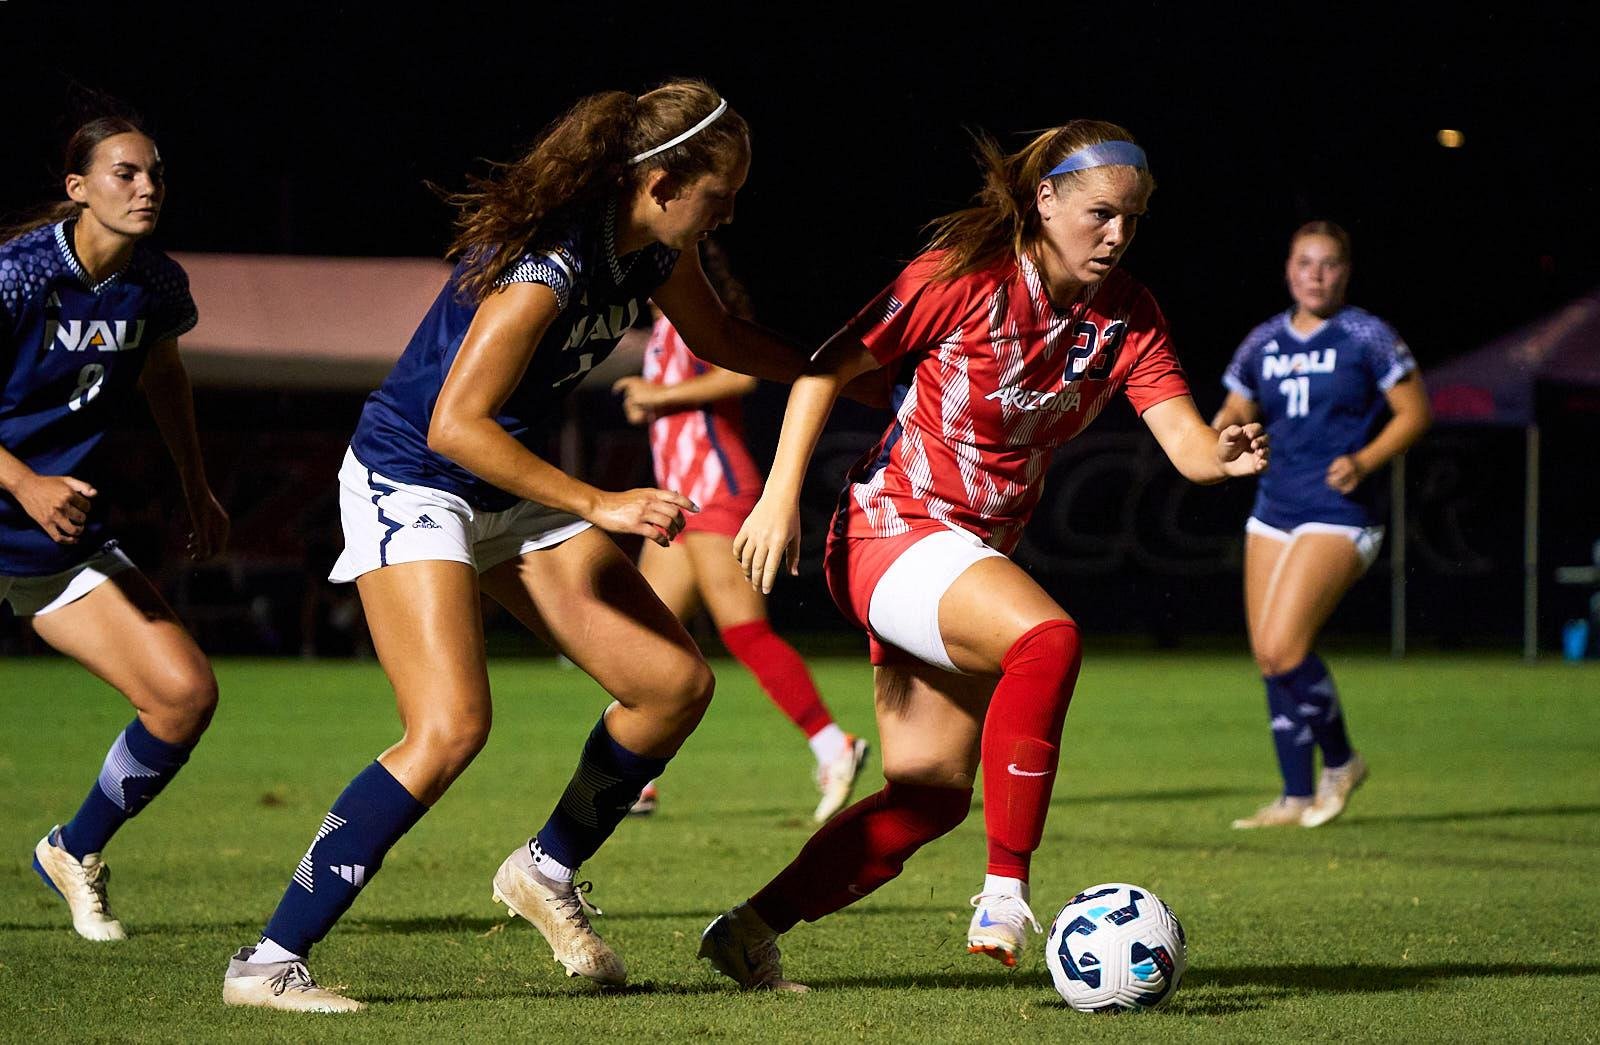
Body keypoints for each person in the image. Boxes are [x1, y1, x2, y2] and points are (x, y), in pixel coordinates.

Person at [223, 80, 837, 1012]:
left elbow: (721, 334)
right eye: (723, 192)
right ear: (664, 181)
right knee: (450, 727)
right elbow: (454, 424)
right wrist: (602, 501)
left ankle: (546, 869)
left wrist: (843, 367)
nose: (732, 211)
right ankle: (266, 962)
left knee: (672, 684)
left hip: (503, 486)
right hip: (413, 476)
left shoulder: (649, 253)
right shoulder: (549, 262)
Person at [696, 121, 1269, 991]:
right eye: (1102, 214)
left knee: (929, 795)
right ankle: (1006, 890)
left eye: (1134, 219)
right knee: (1048, 639)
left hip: (960, 555)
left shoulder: (1129, 316)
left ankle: (746, 930)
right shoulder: (962, 280)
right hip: (889, 526)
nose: (1118, 235)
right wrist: (778, 498)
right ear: (1045, 200)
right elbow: (821, 370)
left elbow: (1187, 444)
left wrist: (1223, 453)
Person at [1, 116, 229, 941]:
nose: (146, 189)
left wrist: (195, 485)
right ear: (77, 189)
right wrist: (23, 481)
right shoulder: (16, 278)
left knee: (183, 694)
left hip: (53, 533)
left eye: (156, 176)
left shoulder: (158, 286)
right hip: (21, 497)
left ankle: (73, 849)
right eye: (126, 174)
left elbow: (164, 374)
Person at [612, 244, 868, 823]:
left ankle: (835, 746)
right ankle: (638, 777)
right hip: (680, 497)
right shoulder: (659, 330)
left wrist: (658, 396)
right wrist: (651, 403)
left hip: (715, 490)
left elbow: (738, 377)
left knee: (745, 632)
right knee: (644, 636)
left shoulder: (693, 321)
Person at [1212, 220, 1430, 830]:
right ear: (1288, 269)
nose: (1316, 274)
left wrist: (1364, 461)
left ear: (1345, 271)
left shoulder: (1367, 334)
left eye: (1329, 263)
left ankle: (1341, 761)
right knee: (1268, 656)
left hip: (1338, 511)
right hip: (1273, 507)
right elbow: (1235, 404)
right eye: (1306, 263)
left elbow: (1415, 412)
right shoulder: (1263, 342)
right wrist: (1228, 426)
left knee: (1286, 647)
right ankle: (1294, 795)